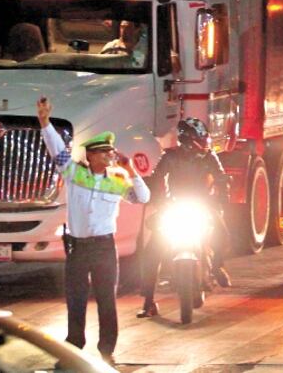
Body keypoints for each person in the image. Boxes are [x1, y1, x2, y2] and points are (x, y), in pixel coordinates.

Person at [37, 96, 150, 365]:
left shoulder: (117, 181)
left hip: (103, 248)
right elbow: (56, 149)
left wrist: (131, 169)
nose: (109, 156)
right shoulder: (74, 173)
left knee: (106, 300)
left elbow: (143, 197)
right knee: (75, 299)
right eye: (104, 153)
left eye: (110, 152)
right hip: (78, 247)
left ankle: (107, 348)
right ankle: (75, 343)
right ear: (90, 155)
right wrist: (45, 122)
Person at [136, 118, 232, 319]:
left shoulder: (209, 157)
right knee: (152, 252)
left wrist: (223, 193)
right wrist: (155, 196)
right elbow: (156, 178)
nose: (204, 141)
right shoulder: (169, 156)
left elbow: (221, 177)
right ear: (189, 139)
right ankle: (148, 301)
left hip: (203, 204)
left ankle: (217, 266)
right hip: (174, 206)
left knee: (222, 233)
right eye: (200, 137)